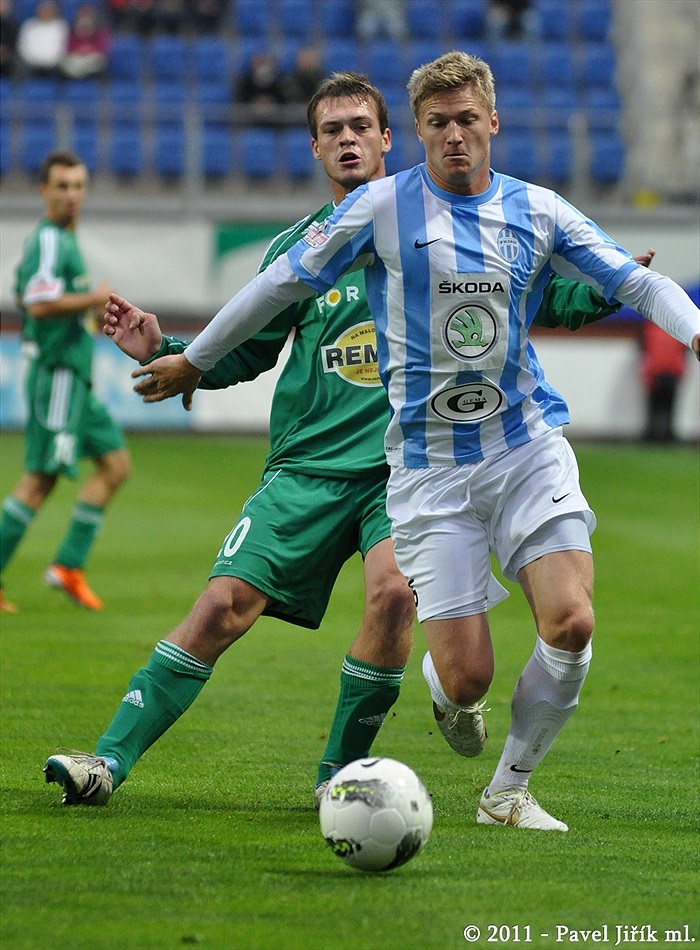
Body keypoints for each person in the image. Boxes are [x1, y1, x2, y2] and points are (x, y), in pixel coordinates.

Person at [104, 53, 699, 832]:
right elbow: (277, 287)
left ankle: (507, 792)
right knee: (466, 676)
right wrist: (193, 357)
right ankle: (449, 690)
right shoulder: (379, 211)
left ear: (494, 122)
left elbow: (638, 284)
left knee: (573, 622)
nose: (455, 136)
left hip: (524, 446)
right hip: (427, 470)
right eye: (439, 123)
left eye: (466, 120)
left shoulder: (540, 209)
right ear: (416, 132)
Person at [0, 149, 131, 614]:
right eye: (62, 186)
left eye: (78, 185)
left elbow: (23, 289)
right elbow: (37, 303)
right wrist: (93, 297)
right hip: (57, 376)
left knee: (115, 465)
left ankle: (68, 566)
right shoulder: (51, 239)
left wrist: (87, 307)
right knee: (40, 480)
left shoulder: (63, 240)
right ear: (43, 190)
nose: (72, 194)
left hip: (75, 379)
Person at [16, 0, 68, 78]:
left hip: (54, 66)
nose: (46, 12)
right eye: (43, 9)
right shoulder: (29, 26)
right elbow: (23, 48)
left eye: (49, 9)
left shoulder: (61, 27)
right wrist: (35, 62)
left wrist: (48, 63)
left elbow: (63, 49)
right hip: (31, 65)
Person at [60, 3, 111, 80]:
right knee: (66, 63)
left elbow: (102, 48)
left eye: (87, 14)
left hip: (92, 59)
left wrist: (88, 50)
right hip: (77, 59)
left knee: (98, 61)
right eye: (83, 14)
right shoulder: (72, 31)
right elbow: (69, 48)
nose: (85, 17)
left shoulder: (100, 32)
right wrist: (80, 51)